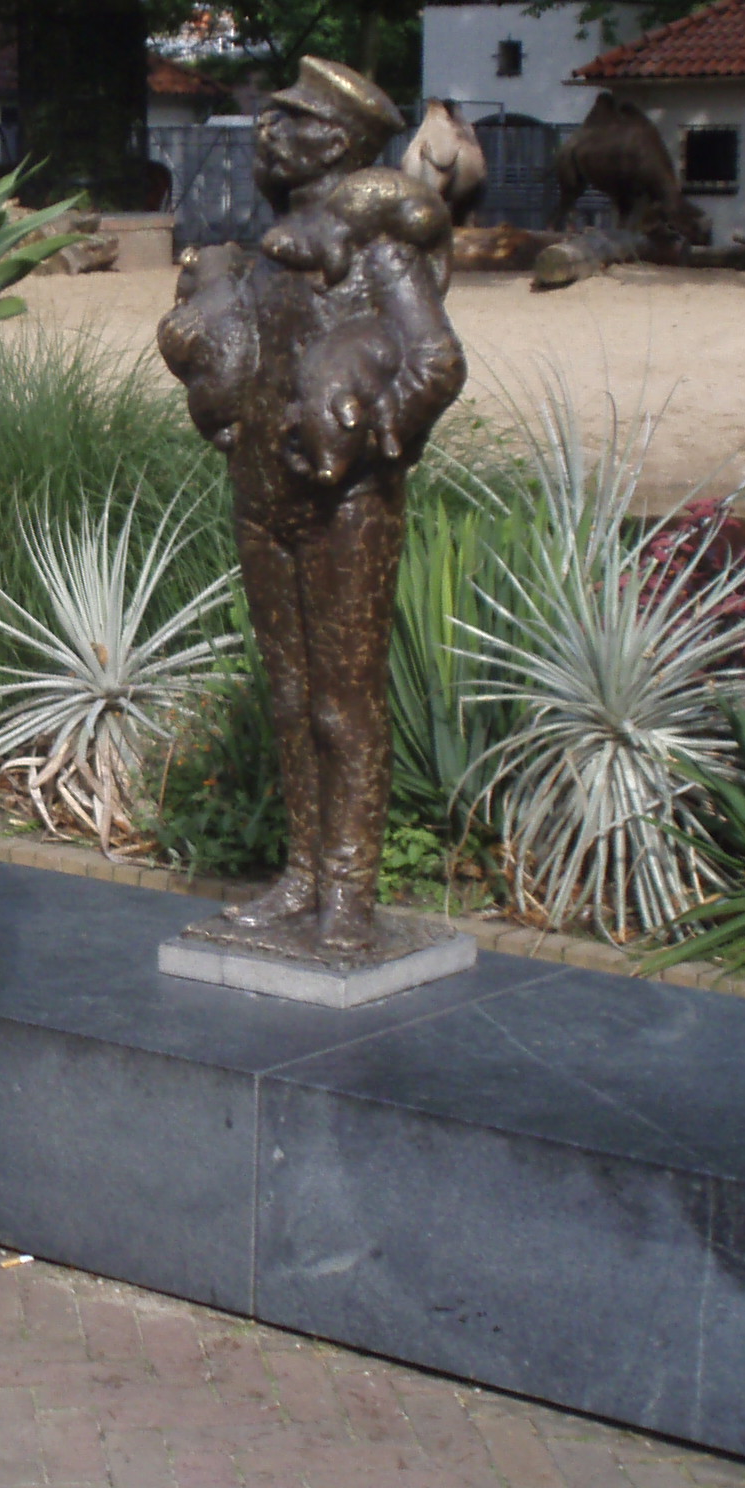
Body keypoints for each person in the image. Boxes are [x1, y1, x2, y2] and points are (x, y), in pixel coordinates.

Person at [157, 57, 464, 956]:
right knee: (290, 696)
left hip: (346, 505)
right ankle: (301, 876)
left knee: (343, 704)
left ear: (336, 141)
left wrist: (376, 436)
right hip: (263, 493)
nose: (269, 132)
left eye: (289, 121)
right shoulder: (270, 248)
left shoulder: (378, 250)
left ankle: (349, 891)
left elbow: (436, 361)